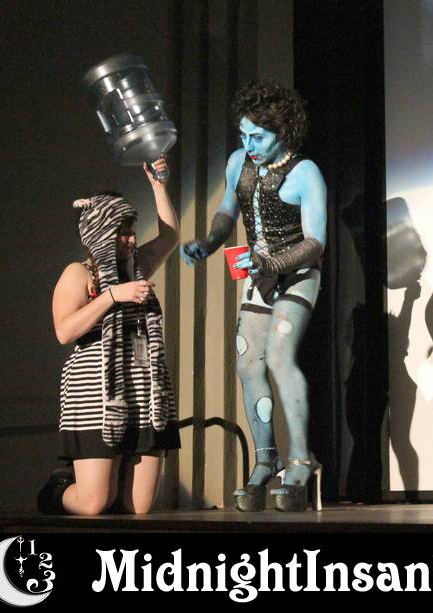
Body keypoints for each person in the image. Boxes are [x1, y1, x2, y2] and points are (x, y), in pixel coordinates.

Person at [181, 80, 327, 512]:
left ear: (283, 130)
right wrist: (209, 243)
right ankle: (267, 459)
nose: (250, 146)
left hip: (297, 275)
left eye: (258, 137)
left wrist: (270, 263)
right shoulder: (238, 163)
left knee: (279, 357)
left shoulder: (305, 173)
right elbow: (227, 212)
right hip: (259, 276)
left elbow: (316, 242)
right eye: (244, 135)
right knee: (248, 364)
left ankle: (301, 461)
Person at [38, 157, 180, 515]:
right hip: (98, 391)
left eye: (131, 230)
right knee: (94, 502)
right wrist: (112, 296)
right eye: (121, 232)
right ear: (99, 233)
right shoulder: (79, 273)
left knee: (139, 505)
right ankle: (58, 490)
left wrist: (159, 187)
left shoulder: (136, 267)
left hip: (143, 388)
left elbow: (170, 237)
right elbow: (64, 331)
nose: (130, 239)